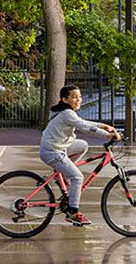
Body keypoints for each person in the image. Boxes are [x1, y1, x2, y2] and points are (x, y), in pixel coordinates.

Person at [40, 84, 120, 225]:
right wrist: (108, 134)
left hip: (59, 148)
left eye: (80, 97)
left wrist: (103, 126)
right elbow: (85, 127)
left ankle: (63, 175)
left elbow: (82, 122)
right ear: (65, 100)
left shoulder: (66, 112)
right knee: (77, 177)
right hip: (53, 152)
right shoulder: (66, 114)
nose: (79, 100)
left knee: (82, 145)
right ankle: (72, 212)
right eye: (74, 97)